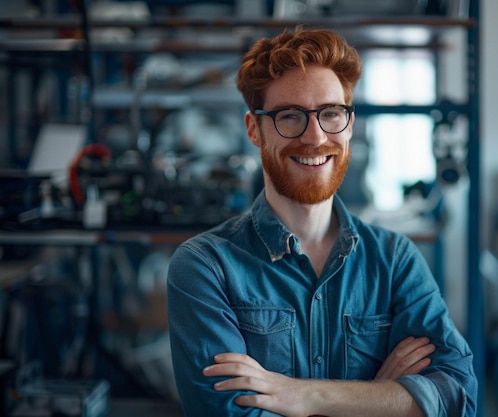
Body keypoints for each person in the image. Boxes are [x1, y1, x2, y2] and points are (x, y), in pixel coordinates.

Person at [167, 26, 477, 417]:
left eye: (330, 113)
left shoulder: (394, 259)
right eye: (290, 116)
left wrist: (307, 396)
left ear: (348, 123)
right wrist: (380, 396)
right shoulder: (206, 267)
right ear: (254, 129)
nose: (315, 137)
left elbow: (458, 398)